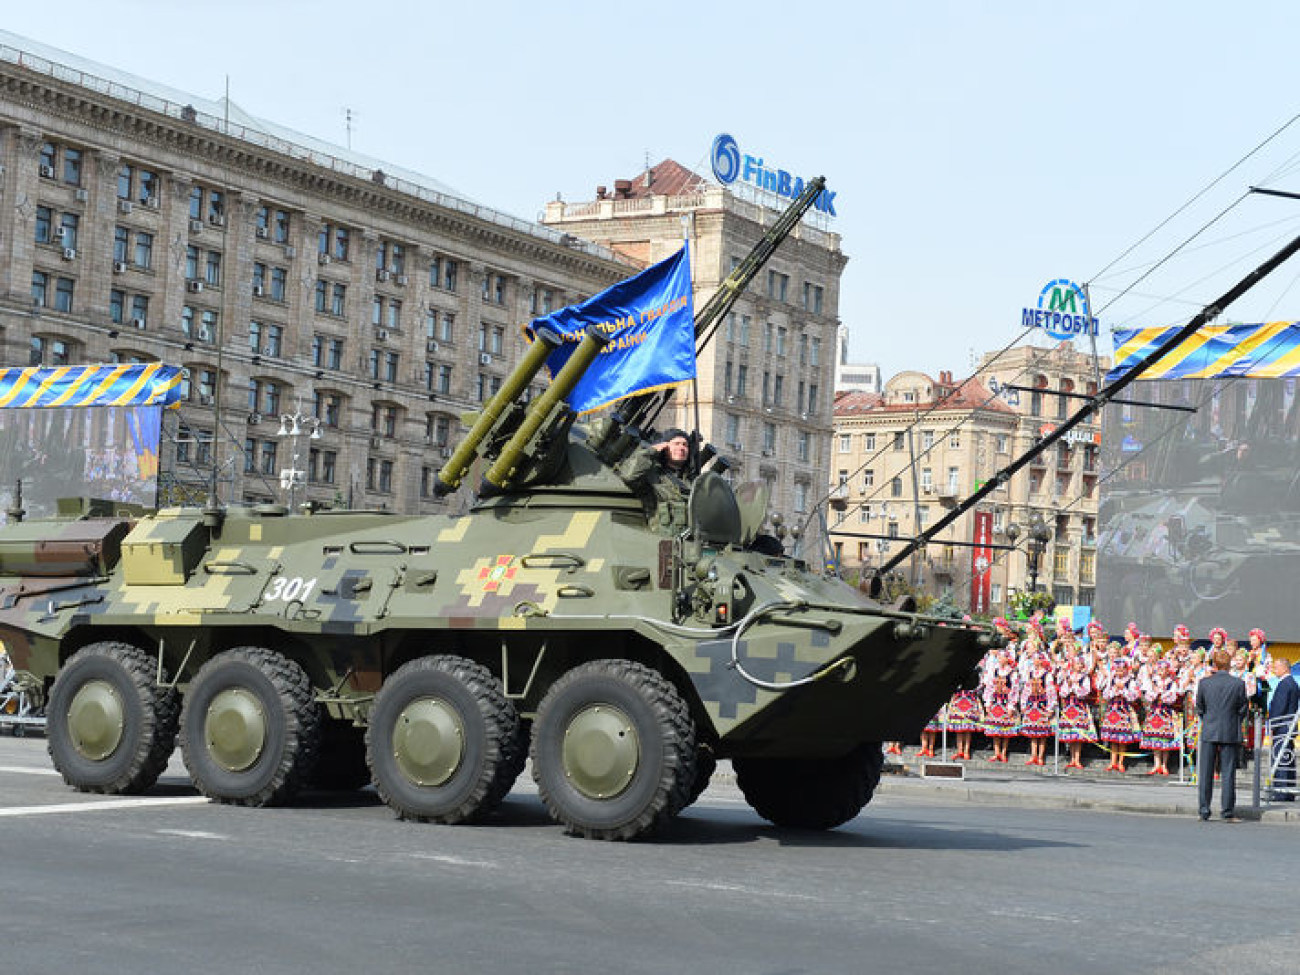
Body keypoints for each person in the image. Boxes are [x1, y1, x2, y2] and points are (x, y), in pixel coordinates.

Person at [1196, 647, 1249, 821]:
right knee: (1228, 773)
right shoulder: (1238, 683)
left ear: (1215, 665)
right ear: (1229, 664)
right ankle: (1227, 811)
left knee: (1205, 772)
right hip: (1230, 730)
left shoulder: (1204, 683)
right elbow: (1243, 709)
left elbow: (1200, 708)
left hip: (1210, 730)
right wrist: (1232, 720)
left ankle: (1204, 810)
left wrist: (1209, 720)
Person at [617, 428, 693, 534]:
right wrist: (651, 451)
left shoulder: (691, 482)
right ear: (665, 447)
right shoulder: (652, 476)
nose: (681, 448)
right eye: (676, 444)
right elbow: (629, 475)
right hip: (661, 541)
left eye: (685, 445)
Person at [1266, 655, 1299, 801]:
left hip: (1282, 726)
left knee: (1280, 759)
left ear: (1285, 668)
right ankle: (1287, 791)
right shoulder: (1291, 683)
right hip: (1287, 726)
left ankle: (1281, 792)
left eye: (1276, 667)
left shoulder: (1285, 684)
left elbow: (1279, 706)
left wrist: (1272, 724)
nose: (1274, 670)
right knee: (1286, 758)